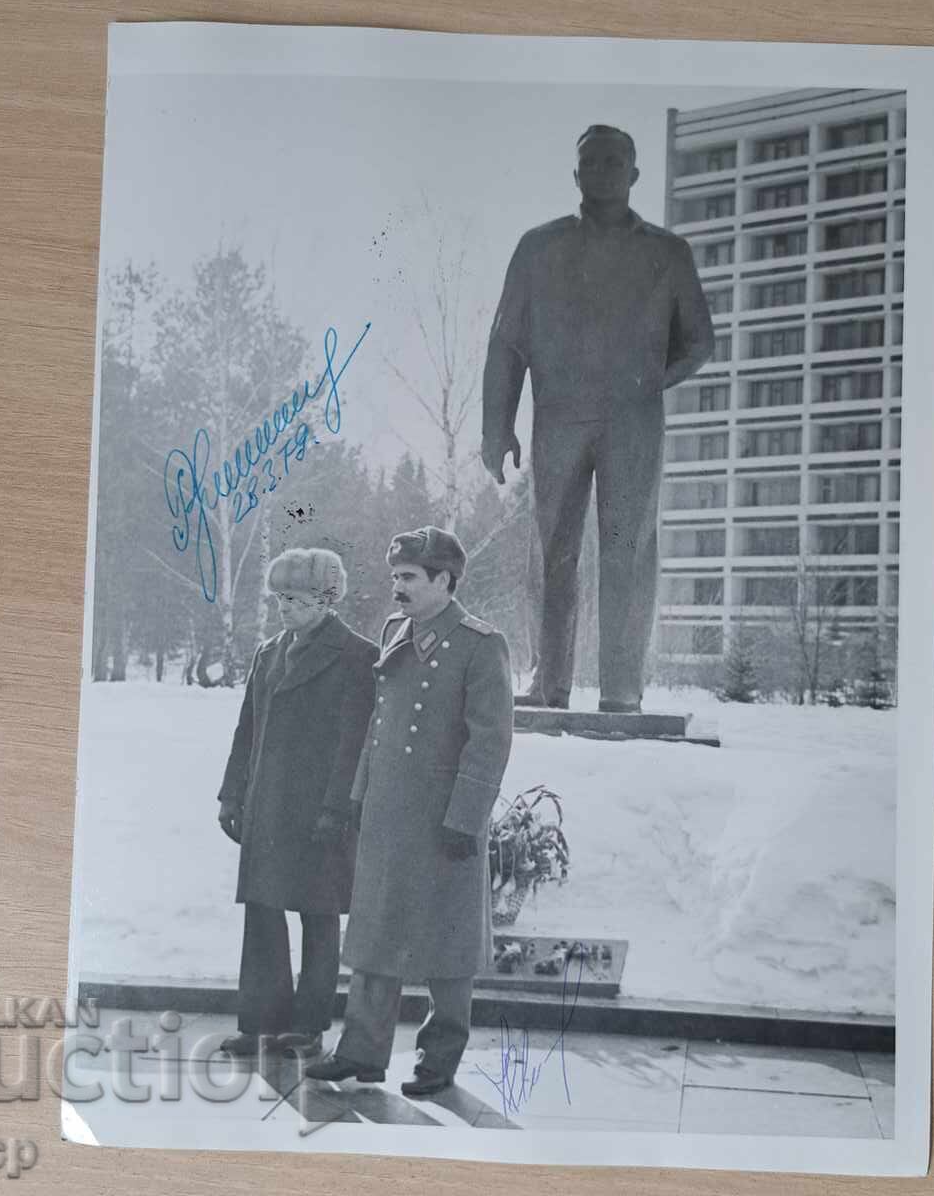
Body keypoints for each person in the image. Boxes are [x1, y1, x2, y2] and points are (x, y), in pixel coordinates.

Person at [482, 123, 716, 713]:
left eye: (616, 162)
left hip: (632, 424)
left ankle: (621, 690)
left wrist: (647, 381)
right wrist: (496, 425)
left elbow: (699, 342)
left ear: (634, 174)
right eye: (592, 161)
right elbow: (506, 343)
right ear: (576, 172)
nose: (603, 170)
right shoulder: (539, 248)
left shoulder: (667, 253)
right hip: (558, 418)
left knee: (627, 550)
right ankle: (548, 682)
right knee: (551, 548)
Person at [303, 526, 514, 1097]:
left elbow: (489, 740)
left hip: (445, 821)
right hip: (387, 812)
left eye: (410, 578)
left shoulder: (480, 643)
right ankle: (362, 1053)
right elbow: (380, 722)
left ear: (444, 581)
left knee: (449, 945)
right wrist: (357, 796)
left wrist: (465, 818)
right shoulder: (395, 629)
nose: (398, 588)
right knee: (375, 932)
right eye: (395, 576)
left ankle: (438, 1060)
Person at [216, 548, 378, 1059]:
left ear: (327, 600)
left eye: (297, 599)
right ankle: (260, 1024)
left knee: (318, 916)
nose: (285, 608)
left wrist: (338, 809)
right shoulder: (269, 653)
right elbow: (247, 732)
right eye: (280, 598)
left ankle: (307, 1029)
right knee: (261, 913)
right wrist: (230, 795)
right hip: (266, 807)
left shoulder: (356, 656)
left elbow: (355, 741)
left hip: (320, 815)